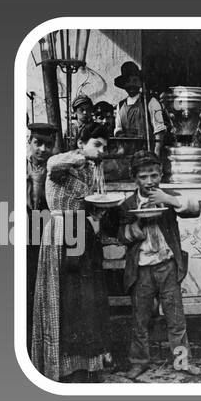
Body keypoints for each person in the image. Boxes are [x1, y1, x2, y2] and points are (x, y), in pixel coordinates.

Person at [30, 123, 118, 382]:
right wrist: (84, 154)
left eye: (105, 147)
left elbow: (89, 203)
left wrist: (98, 213)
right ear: (80, 143)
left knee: (86, 299)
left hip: (82, 232)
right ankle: (62, 367)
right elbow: (53, 167)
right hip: (60, 231)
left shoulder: (92, 171)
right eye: (97, 145)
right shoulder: (61, 161)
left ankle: (87, 365)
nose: (101, 151)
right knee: (64, 296)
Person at [119, 150, 201, 380]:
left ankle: (182, 361)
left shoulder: (168, 196)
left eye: (154, 175)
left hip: (167, 266)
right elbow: (119, 235)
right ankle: (138, 363)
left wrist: (170, 200)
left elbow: (195, 209)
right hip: (141, 269)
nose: (149, 181)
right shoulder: (128, 205)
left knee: (176, 319)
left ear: (161, 174)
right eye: (143, 177)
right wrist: (132, 230)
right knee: (140, 320)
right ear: (134, 178)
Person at [25, 122, 58, 327]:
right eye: (38, 143)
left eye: (48, 145)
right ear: (29, 142)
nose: (43, 150)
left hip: (46, 233)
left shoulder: (55, 170)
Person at [112, 61, 167, 144]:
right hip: (128, 152)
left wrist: (156, 154)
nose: (131, 85)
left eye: (135, 80)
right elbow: (118, 129)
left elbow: (159, 131)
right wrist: (120, 136)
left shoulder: (150, 102)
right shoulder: (120, 105)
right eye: (128, 81)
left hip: (147, 152)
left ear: (141, 82)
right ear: (124, 85)